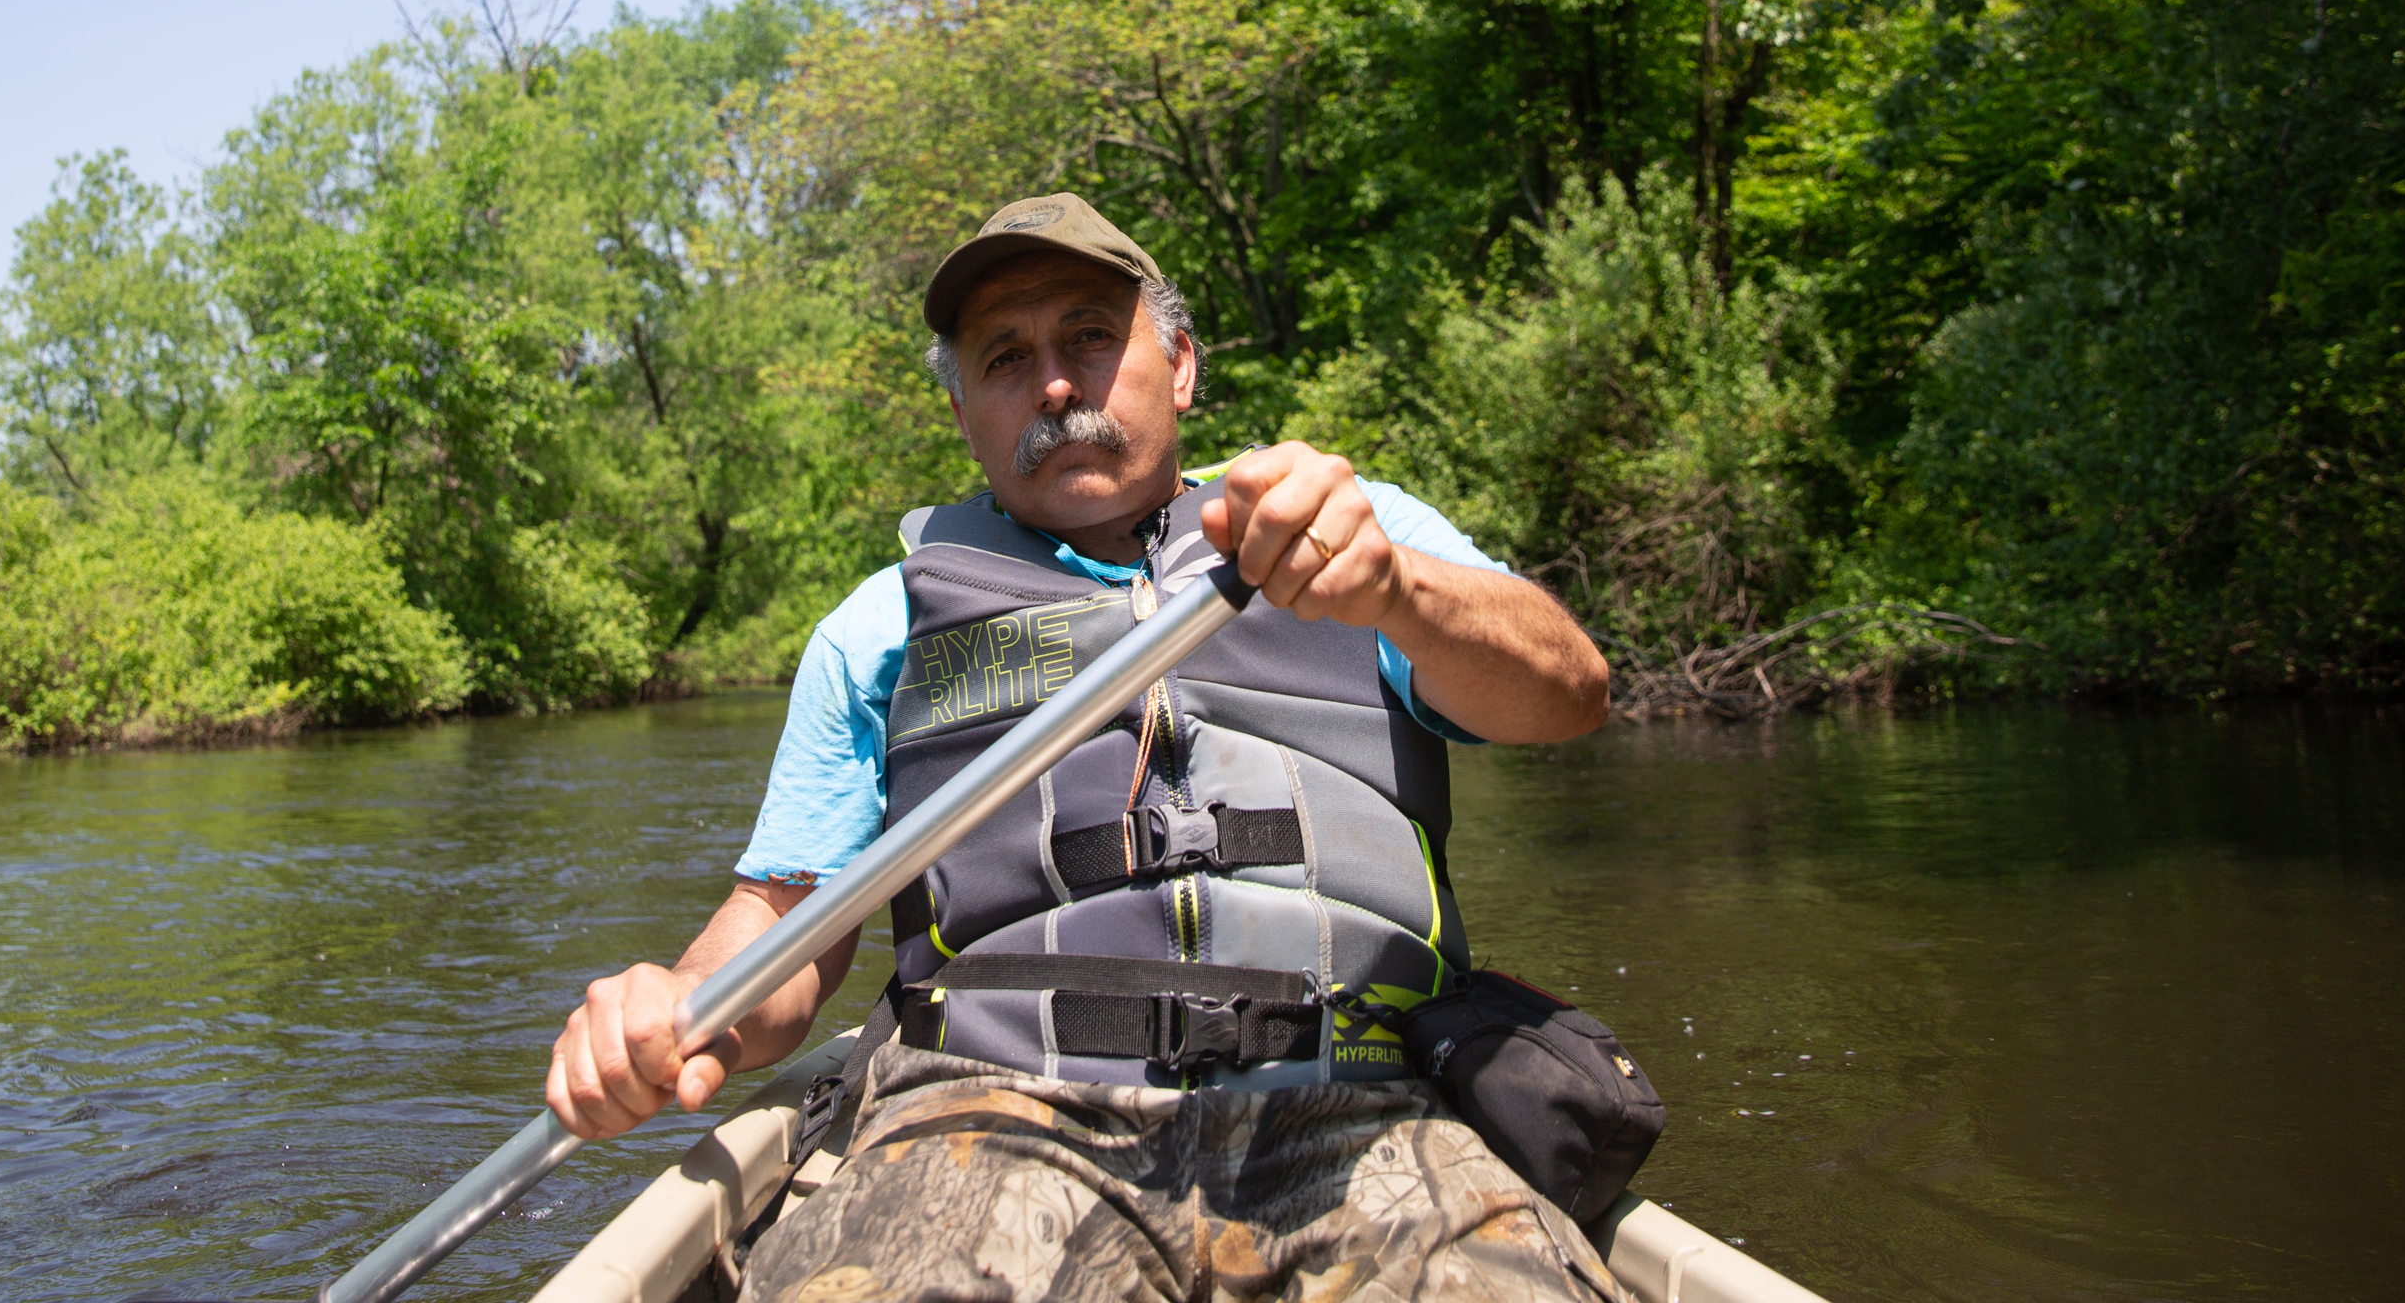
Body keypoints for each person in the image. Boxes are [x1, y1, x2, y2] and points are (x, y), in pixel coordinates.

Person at [544, 194, 1623, 1302]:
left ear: (1183, 364)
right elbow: (780, 932)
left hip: (1364, 1099)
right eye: (1007, 356)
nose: (1055, 382)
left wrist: (1401, 589)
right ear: (964, 412)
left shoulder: (1350, 528)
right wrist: (670, 1007)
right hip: (988, 1112)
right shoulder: (882, 623)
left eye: (1091, 336)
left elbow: (1568, 692)